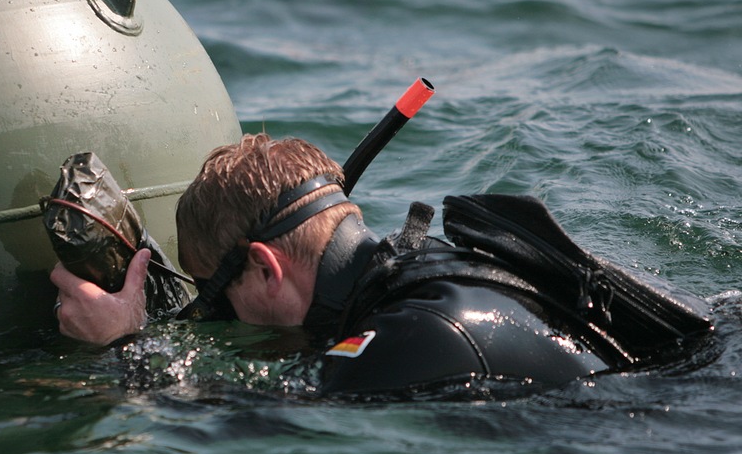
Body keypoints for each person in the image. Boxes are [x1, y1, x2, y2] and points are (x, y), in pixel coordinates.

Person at [51, 134, 716, 399]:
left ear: (264, 267)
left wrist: (124, 348)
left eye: (223, 299)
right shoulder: (425, 270)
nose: (229, 318)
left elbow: (244, 425)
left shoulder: (409, 337)